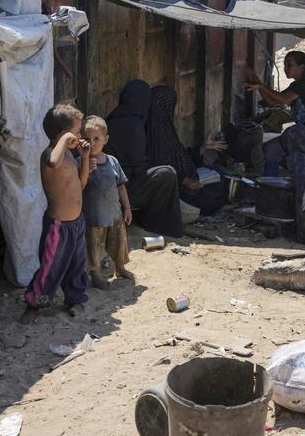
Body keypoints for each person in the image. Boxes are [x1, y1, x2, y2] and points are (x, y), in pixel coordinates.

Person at [21, 104, 91, 323]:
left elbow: (81, 184)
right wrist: (65, 139)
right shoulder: (50, 155)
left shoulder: (69, 156)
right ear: (63, 135)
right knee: (50, 267)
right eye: (77, 132)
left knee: (77, 264)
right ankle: (34, 304)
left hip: (76, 223)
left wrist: (85, 157)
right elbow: (53, 162)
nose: (80, 136)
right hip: (58, 227)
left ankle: (75, 299)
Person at [105, 80, 184, 236]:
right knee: (167, 174)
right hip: (123, 190)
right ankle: (157, 225)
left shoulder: (114, 118)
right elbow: (138, 167)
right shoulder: (134, 125)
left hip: (114, 185)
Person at [242, 51, 305, 175]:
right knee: (272, 150)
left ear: (302, 67)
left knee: (270, 150)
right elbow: (273, 102)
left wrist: (260, 86)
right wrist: (257, 82)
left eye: (289, 65)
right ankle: (274, 181)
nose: (285, 69)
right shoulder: (297, 85)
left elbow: (283, 99)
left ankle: (270, 183)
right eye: (284, 65)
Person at [146, 85, 229, 214]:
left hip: (186, 181)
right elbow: (159, 166)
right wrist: (185, 181)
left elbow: (179, 156)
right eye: (175, 103)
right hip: (174, 192)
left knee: (220, 172)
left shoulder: (166, 127)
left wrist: (203, 148)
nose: (178, 107)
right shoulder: (154, 134)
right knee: (216, 193)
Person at [81, 116, 133, 288]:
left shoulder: (113, 161)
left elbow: (121, 187)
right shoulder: (80, 164)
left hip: (114, 215)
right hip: (94, 217)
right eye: (88, 139)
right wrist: (86, 169)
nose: (92, 143)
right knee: (93, 248)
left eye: (97, 139)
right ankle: (95, 274)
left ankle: (119, 267)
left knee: (118, 243)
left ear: (106, 139)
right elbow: (78, 188)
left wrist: (127, 208)